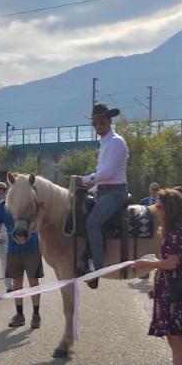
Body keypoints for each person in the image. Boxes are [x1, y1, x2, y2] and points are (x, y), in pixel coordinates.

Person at [131, 188, 182, 365]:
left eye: (159, 206)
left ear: (169, 210)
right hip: (169, 288)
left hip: (174, 292)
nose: (156, 210)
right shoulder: (177, 230)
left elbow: (170, 263)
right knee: (174, 341)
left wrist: (145, 263)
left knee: (176, 341)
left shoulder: (177, 232)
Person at [76, 103, 130, 278]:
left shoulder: (116, 142)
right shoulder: (106, 143)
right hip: (103, 190)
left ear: (109, 122)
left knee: (93, 222)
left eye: (102, 122)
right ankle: (83, 255)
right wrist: (89, 187)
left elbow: (107, 173)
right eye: (96, 123)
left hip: (115, 192)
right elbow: (102, 174)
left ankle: (97, 267)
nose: (98, 126)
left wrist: (84, 180)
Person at [0, 192, 43, 329]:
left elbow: (39, 223)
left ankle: (36, 315)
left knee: (33, 282)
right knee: (17, 283)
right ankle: (19, 315)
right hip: (13, 250)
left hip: (31, 249)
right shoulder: (3, 207)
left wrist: (28, 235)